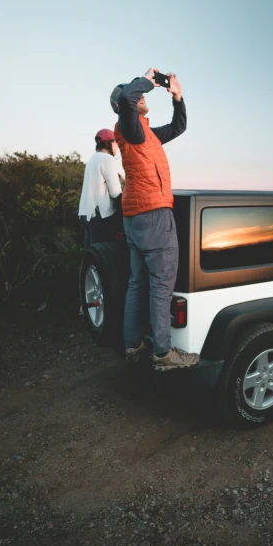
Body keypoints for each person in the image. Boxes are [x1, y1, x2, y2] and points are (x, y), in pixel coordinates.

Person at [110, 68, 199, 372]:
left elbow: (179, 127)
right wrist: (146, 78)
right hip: (153, 214)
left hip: (136, 216)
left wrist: (177, 97)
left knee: (138, 283)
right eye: (140, 95)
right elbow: (125, 98)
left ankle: (133, 344)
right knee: (161, 285)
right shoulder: (129, 127)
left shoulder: (145, 133)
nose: (144, 96)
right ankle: (162, 353)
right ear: (129, 105)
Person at [78, 129, 124, 247]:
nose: (117, 147)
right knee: (103, 255)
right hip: (99, 215)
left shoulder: (92, 159)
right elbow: (115, 192)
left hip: (85, 213)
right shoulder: (107, 159)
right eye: (116, 143)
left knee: (91, 255)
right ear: (110, 143)